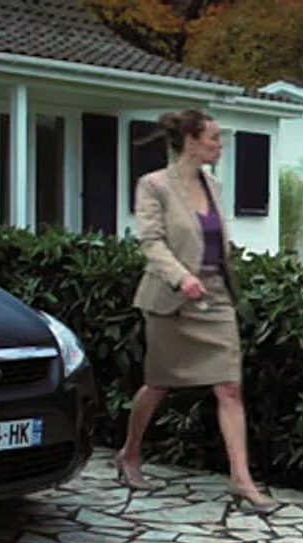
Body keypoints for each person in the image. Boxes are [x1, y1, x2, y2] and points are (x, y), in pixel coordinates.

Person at [113, 109, 276, 514]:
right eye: (214, 139)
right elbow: (150, 242)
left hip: (216, 296)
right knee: (159, 383)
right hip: (172, 300)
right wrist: (180, 277)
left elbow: (218, 239)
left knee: (229, 387)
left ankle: (242, 479)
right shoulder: (154, 186)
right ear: (190, 140)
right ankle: (130, 452)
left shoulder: (215, 186)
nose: (220, 146)